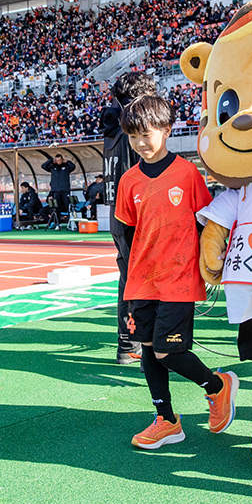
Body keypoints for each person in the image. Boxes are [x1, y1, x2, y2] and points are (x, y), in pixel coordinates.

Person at [113, 95, 238, 449]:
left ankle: (217, 386)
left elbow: (206, 223)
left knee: (168, 352)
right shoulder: (128, 181)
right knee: (148, 350)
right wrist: (130, 274)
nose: (140, 143)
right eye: (133, 137)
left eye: (147, 135)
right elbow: (125, 233)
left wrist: (209, 263)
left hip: (179, 279)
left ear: (167, 130)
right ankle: (166, 420)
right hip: (142, 281)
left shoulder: (186, 173)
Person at [100, 71, 157, 364]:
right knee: (147, 283)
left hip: (118, 216)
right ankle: (148, 346)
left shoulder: (112, 127)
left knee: (128, 280)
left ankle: (128, 344)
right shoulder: (133, 131)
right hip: (137, 216)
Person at [41, 154, 76, 225]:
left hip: (64, 190)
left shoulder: (66, 166)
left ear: (62, 159)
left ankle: (72, 223)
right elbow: (43, 166)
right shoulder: (52, 167)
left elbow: (73, 167)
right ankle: (57, 223)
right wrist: (50, 160)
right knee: (56, 207)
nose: (58, 161)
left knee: (67, 206)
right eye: (57, 160)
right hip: (55, 191)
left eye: (59, 160)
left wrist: (67, 162)